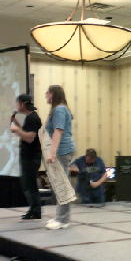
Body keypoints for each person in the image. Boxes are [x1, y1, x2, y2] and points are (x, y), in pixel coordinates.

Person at [44, 85, 75, 230]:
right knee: (59, 185)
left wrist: (52, 153)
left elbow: (58, 132)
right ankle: (61, 217)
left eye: (48, 93)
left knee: (62, 185)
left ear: (53, 94)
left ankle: (63, 220)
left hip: (62, 151)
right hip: (62, 150)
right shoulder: (58, 109)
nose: (45, 95)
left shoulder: (60, 109)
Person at [10, 94, 42, 220]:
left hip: (31, 157)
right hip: (28, 156)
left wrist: (16, 130)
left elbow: (30, 138)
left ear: (22, 104)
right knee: (28, 184)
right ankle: (34, 210)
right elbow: (25, 132)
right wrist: (15, 122)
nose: (16, 106)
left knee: (30, 185)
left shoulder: (33, 118)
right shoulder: (29, 117)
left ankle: (36, 211)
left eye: (17, 103)